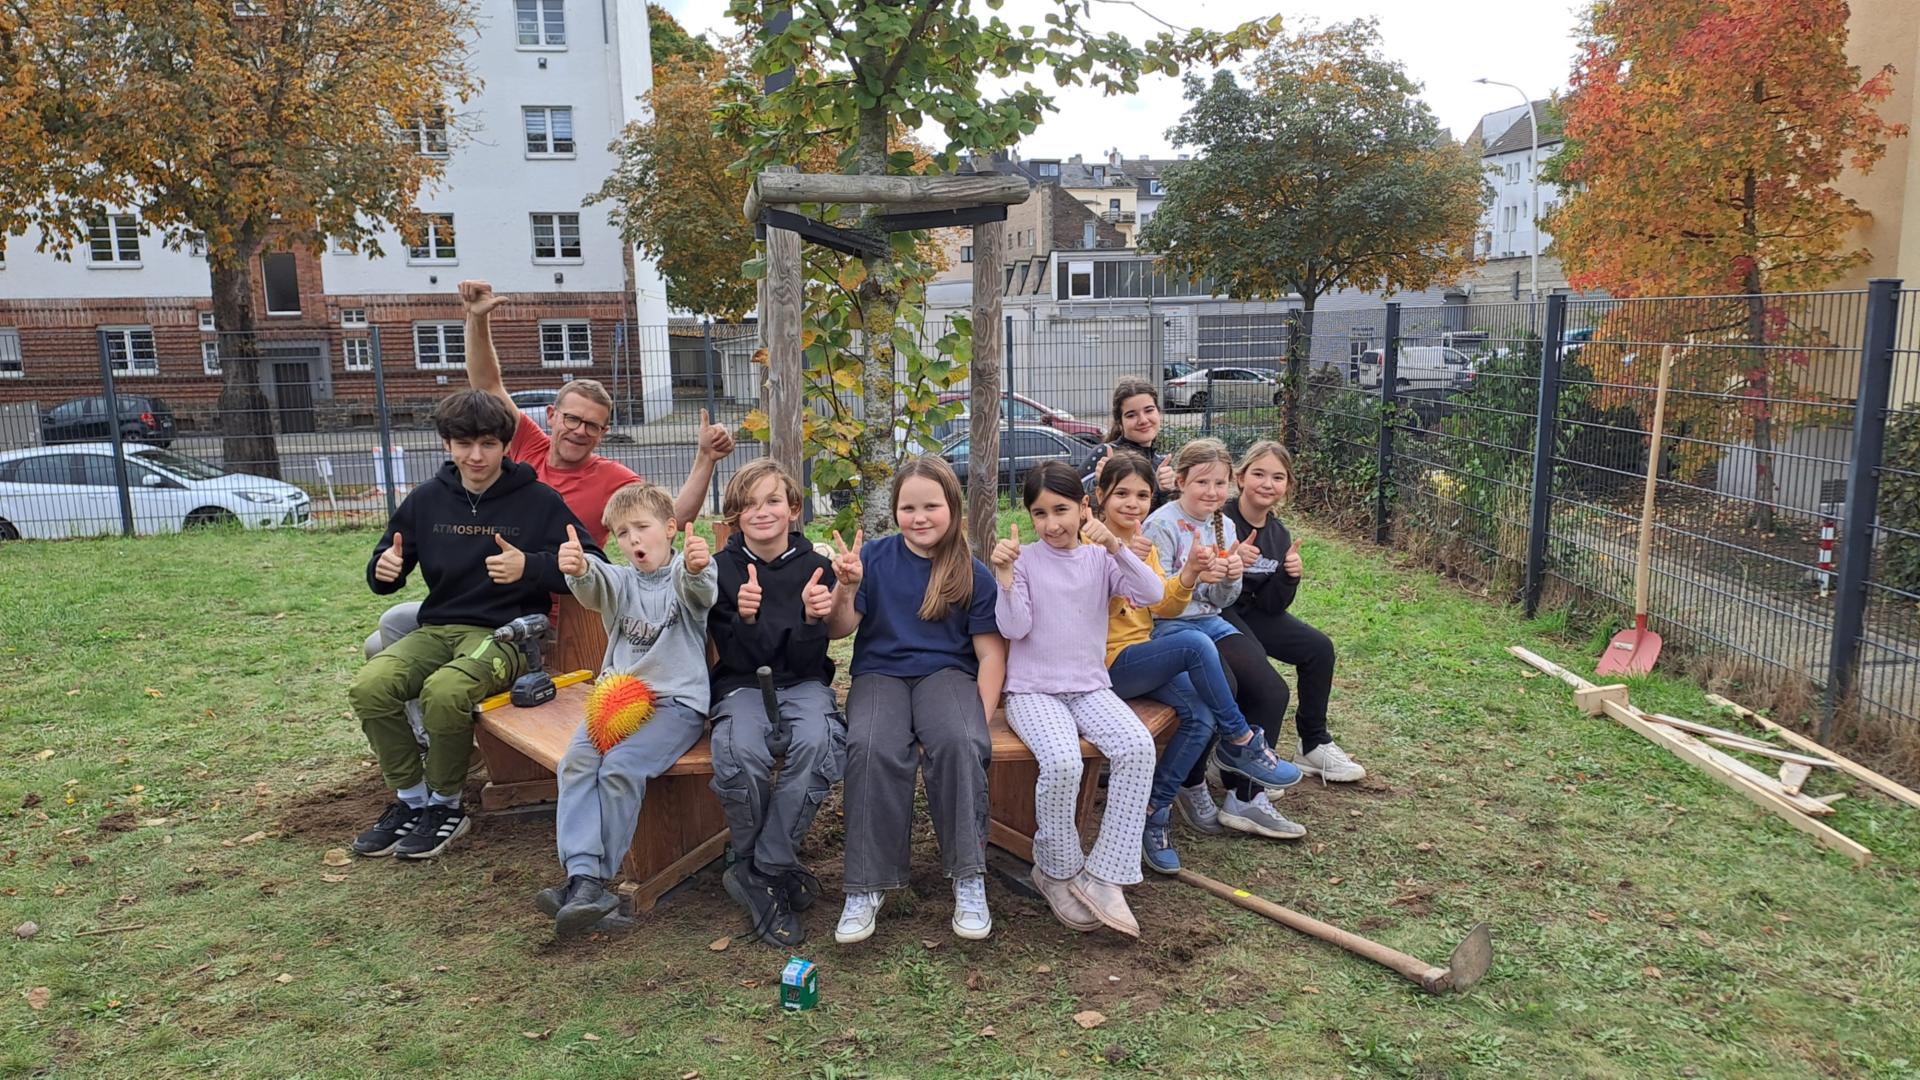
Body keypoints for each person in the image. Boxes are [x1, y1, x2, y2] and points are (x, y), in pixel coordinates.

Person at [347, 390, 601, 861]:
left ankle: (446, 804)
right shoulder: (426, 500)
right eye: (464, 444)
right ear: (447, 444)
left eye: (487, 443)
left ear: (507, 444)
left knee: (444, 692)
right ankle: (411, 800)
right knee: (371, 686)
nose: (476, 456)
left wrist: (530, 566)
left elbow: (590, 564)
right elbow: (388, 565)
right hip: (438, 628)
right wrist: (384, 570)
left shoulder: (539, 501)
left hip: (507, 634)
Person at [1091, 451, 1300, 874]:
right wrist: (1115, 551)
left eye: (1142, 495)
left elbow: (1160, 600)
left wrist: (1188, 574)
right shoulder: (1088, 544)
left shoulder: (1143, 544)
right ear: (1099, 496)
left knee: (1200, 715)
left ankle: (1156, 810)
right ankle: (1241, 741)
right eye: (1122, 495)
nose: (1132, 504)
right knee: (1193, 644)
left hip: (1141, 652)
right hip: (1102, 665)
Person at [826, 457, 1007, 945]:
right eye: (909, 507)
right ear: (895, 510)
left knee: (961, 741)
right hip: (880, 674)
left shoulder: (972, 573)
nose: (920, 517)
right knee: (869, 745)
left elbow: (990, 655)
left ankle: (969, 877)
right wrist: (847, 588)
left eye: (932, 505)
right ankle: (867, 885)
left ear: (953, 507)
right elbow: (841, 629)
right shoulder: (877, 560)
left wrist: (980, 715)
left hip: (945, 675)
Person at [537, 483, 717, 936]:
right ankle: (581, 878)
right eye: (622, 533)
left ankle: (597, 879)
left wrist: (698, 566)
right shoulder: (620, 582)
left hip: (675, 705)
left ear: (670, 529)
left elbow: (698, 588)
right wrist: (578, 568)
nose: (633, 539)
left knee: (620, 768)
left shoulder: (681, 571)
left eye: (642, 527)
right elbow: (593, 584)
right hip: (615, 701)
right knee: (576, 762)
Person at [991, 462, 1164, 936]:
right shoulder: (1024, 560)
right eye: (1039, 513)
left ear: (1085, 507)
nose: (1051, 524)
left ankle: (1106, 875)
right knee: (1063, 763)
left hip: (1090, 686)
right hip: (1033, 692)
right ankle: (1056, 869)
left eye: (1062, 510)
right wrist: (1005, 576)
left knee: (1136, 746)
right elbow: (1014, 628)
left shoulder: (1100, 558)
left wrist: (1115, 545)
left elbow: (1151, 592)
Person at [706, 459, 848, 948]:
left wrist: (812, 620)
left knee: (819, 741)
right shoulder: (721, 571)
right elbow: (738, 659)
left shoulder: (816, 568)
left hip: (803, 683)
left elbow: (809, 662)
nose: (761, 512)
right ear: (735, 516)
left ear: (792, 509)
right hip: (741, 685)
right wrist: (743, 618)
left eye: (772, 501)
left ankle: (761, 867)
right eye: (749, 504)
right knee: (739, 751)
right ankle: (765, 868)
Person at [1145, 438, 1309, 842]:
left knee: (1271, 691)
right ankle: (1192, 781)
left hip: (1211, 621)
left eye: (1219, 484)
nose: (1212, 492)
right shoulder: (1161, 526)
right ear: (1180, 481)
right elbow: (1154, 601)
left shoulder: (1226, 525)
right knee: (1226, 687)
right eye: (1202, 482)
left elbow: (1222, 601)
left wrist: (1230, 577)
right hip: (1170, 627)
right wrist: (1197, 577)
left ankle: (1246, 795)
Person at [1226, 441, 1365, 782]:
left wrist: (1289, 576)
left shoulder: (1278, 534)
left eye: (1277, 477)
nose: (1267, 484)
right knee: (1255, 661)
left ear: (1287, 485)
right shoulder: (1223, 519)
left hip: (1255, 613)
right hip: (1219, 611)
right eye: (1258, 474)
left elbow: (1273, 606)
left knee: (1318, 648)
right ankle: (1241, 754)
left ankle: (1312, 743)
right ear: (1241, 478)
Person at [1081, 376, 1178, 505]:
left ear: (1158, 412)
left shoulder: (1162, 464)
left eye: (1149, 410)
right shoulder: (1106, 454)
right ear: (1120, 423)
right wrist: (1097, 483)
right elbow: (1072, 503)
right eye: (1131, 415)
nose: (1143, 420)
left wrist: (1169, 491)